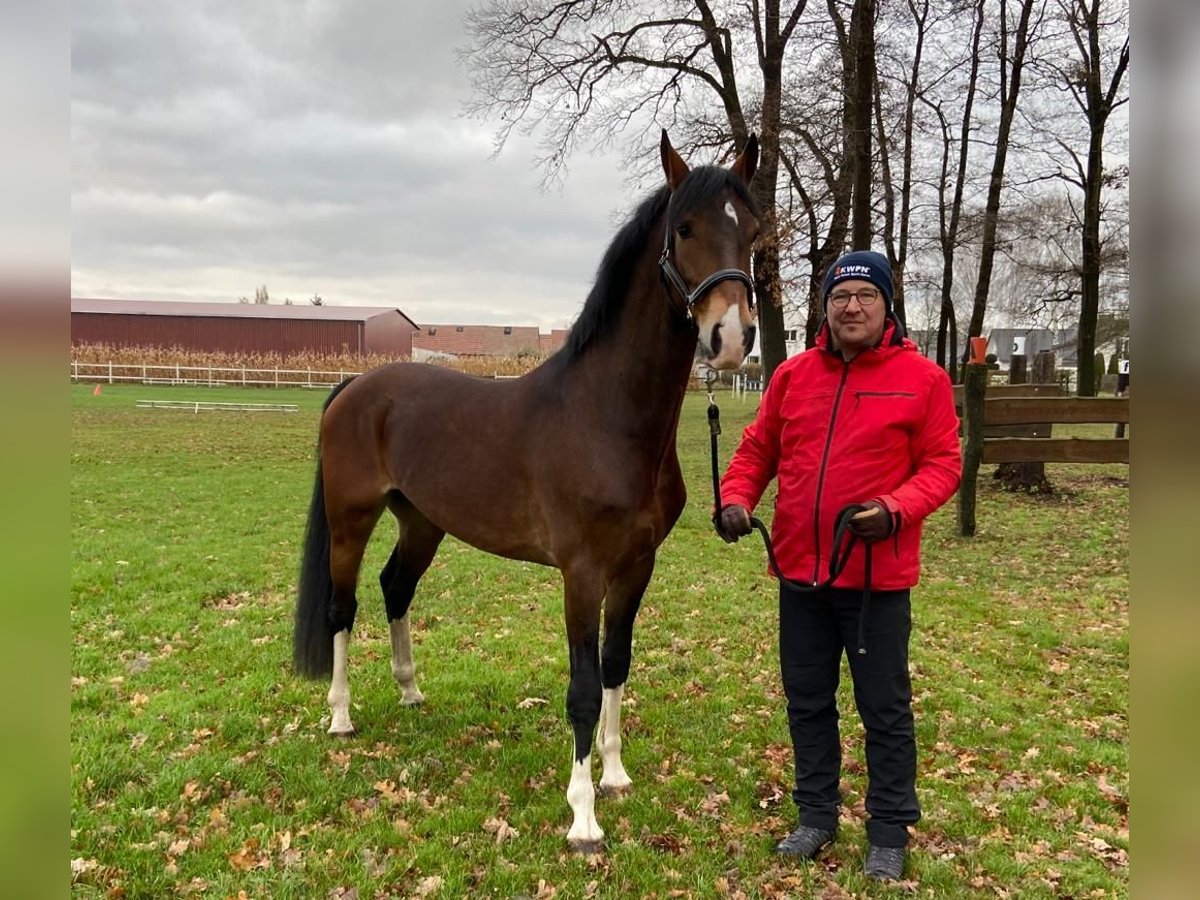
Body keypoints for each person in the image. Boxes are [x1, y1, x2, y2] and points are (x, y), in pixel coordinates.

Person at [716, 250, 961, 881]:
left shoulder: (922, 379)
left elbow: (943, 465)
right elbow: (757, 449)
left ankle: (887, 829)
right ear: (825, 307)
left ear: (886, 307)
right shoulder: (794, 376)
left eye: (865, 296)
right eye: (840, 296)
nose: (852, 306)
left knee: (884, 708)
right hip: (800, 572)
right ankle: (817, 815)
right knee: (807, 702)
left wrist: (896, 507)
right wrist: (737, 498)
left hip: (875, 579)